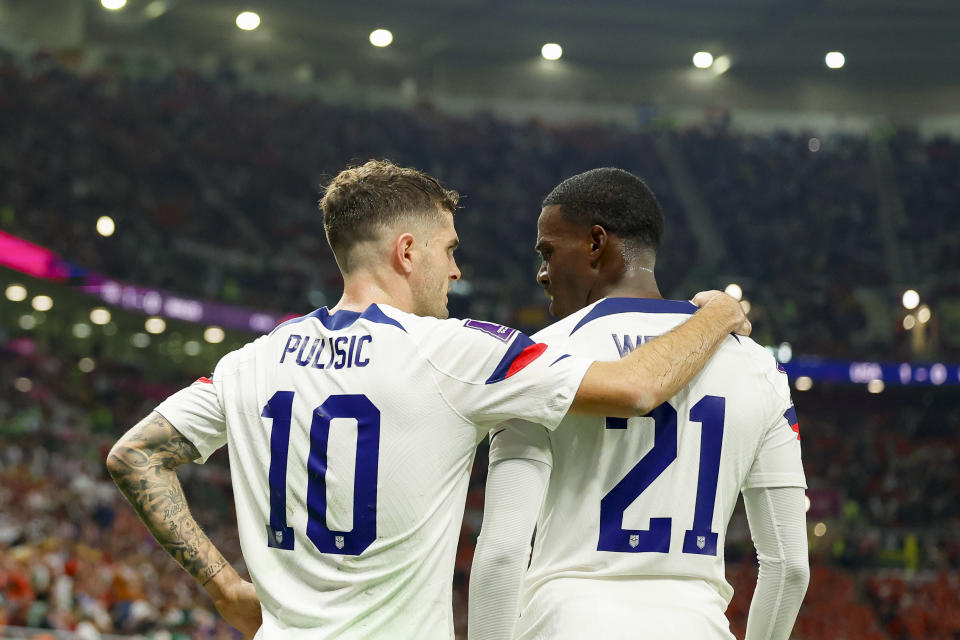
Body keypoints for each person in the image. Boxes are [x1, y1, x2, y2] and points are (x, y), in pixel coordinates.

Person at [106, 160, 750, 640]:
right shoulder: (457, 351)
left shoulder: (250, 362)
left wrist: (224, 588)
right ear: (406, 251)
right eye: (449, 251)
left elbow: (133, 455)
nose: (457, 271)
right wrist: (718, 314)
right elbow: (635, 387)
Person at [468, 168, 809, 640]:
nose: (543, 273)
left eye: (548, 252)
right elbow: (790, 566)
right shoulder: (757, 366)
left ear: (595, 243)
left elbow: (504, 551)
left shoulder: (539, 358)